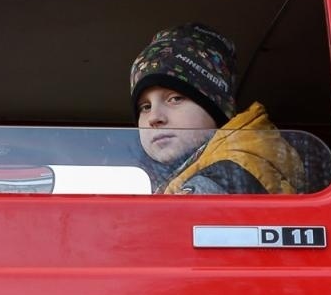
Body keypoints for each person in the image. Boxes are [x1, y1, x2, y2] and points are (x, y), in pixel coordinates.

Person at [129, 23, 308, 194]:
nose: (154, 117)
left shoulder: (223, 177)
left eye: (176, 99)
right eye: (145, 107)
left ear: (215, 108)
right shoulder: (189, 172)